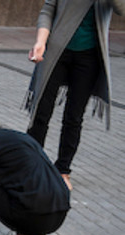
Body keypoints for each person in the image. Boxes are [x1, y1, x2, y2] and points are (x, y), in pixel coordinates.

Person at [25, 0, 125, 190]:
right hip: (56, 50)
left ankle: (63, 169)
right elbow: (48, 9)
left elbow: (121, 9)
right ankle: (31, 165)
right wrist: (40, 42)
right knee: (41, 111)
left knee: (74, 116)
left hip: (89, 56)